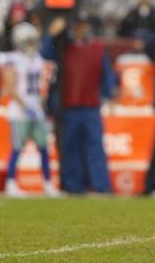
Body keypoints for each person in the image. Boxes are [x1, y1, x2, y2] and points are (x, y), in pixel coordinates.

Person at [41, 14, 115, 194]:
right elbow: (44, 53)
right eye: (76, 26)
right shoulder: (63, 48)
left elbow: (106, 75)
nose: (79, 29)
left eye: (82, 25)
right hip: (70, 106)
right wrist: (52, 33)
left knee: (95, 148)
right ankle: (74, 187)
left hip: (90, 106)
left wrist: (109, 95)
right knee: (71, 148)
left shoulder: (97, 49)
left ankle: (100, 187)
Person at [0, 22, 59, 197]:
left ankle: (48, 185)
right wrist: (25, 106)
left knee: (43, 149)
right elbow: (10, 86)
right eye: (28, 41)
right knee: (17, 148)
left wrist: (39, 104)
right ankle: (10, 185)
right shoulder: (13, 59)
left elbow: (44, 83)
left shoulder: (38, 59)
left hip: (36, 110)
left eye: (33, 41)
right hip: (19, 111)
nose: (31, 44)